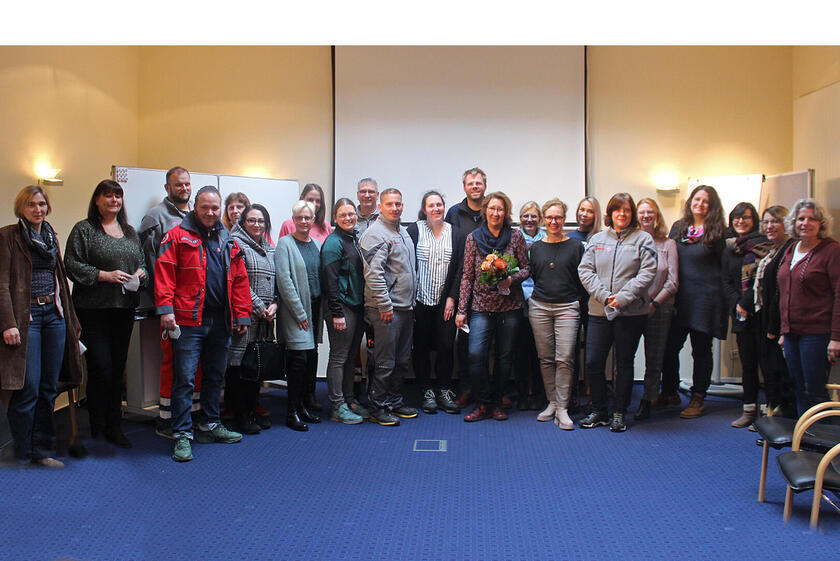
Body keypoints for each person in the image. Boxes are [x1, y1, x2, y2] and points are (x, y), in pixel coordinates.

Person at [156, 185, 251, 462]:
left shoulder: (228, 239)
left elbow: (240, 279)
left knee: (214, 376)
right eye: (205, 207)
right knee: (184, 379)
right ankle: (182, 434)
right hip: (187, 321)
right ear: (195, 208)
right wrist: (165, 310)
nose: (210, 212)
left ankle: (210, 424)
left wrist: (242, 314)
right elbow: (164, 274)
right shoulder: (176, 236)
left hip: (220, 321)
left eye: (214, 208)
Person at [0, 186, 83, 468]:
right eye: (32, 205)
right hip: (28, 319)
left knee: (49, 387)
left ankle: (42, 450)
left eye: (42, 204)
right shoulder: (8, 236)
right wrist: (8, 323)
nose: (38, 210)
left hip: (54, 315)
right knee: (28, 388)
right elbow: (1, 285)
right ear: (21, 208)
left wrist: (70, 320)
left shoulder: (49, 235)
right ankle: (18, 454)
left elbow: (59, 278)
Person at [64, 180, 147, 448]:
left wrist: (140, 275)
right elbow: (71, 264)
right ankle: (96, 425)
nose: (113, 200)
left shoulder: (130, 232)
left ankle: (114, 425)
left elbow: (142, 263)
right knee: (101, 367)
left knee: (117, 368)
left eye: (118, 196)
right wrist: (104, 275)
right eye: (108, 196)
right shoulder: (84, 230)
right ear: (97, 200)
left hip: (123, 310)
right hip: (92, 310)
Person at [577, 193, 657, 432]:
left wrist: (621, 299)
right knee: (593, 362)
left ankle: (620, 412)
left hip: (630, 313)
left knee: (623, 363)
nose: (622, 214)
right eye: (617, 210)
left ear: (632, 214)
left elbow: (647, 273)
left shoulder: (644, 239)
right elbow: (585, 270)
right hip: (599, 311)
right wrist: (604, 296)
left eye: (627, 210)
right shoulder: (597, 239)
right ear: (610, 213)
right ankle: (600, 410)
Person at [456, 191, 530, 422]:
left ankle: (497, 403)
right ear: (485, 210)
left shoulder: (516, 237)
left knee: (504, 358)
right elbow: (467, 276)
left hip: (510, 307)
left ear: (505, 213)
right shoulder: (473, 237)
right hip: (480, 306)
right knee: (476, 355)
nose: (496, 213)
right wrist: (461, 310)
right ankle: (482, 402)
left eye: (500, 209)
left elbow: (526, 268)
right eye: (492, 208)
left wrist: (511, 279)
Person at [660, 185, 728, 419]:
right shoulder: (679, 228)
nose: (700, 204)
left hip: (706, 300)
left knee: (700, 351)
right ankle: (669, 391)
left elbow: (725, 269)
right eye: (696, 199)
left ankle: (698, 397)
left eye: (705, 201)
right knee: (669, 347)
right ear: (690, 202)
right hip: (680, 298)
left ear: (712, 206)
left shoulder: (719, 232)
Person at [137, 166, 195, 438]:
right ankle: (165, 420)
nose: (183, 189)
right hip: (172, 306)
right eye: (178, 185)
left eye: (186, 184)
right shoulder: (155, 218)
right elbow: (153, 265)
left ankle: (189, 418)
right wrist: (164, 307)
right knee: (172, 363)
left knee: (194, 367)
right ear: (167, 188)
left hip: (196, 307)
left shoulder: (196, 215)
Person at [359, 188, 418, 426]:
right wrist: (384, 305)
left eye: (398, 204)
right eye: (390, 204)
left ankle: (394, 400)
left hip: (405, 308)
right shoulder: (375, 234)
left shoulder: (402, 232)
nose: (395, 208)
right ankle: (378, 406)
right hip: (385, 309)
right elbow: (373, 275)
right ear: (380, 207)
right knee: (385, 361)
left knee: (402, 359)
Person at [777, 198, 840, 415]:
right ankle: (805, 440)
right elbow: (785, 292)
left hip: (817, 334)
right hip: (792, 333)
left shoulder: (831, 251)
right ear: (794, 222)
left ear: (820, 224)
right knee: (798, 389)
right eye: (801, 218)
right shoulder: (792, 249)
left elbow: (839, 295)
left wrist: (836, 338)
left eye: (812, 219)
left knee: (815, 392)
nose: (806, 223)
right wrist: (784, 330)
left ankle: (822, 444)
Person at [527, 199, 585, 429]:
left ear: (564, 219)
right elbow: (533, 277)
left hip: (567, 308)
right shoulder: (536, 248)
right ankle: (551, 402)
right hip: (539, 307)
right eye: (549, 217)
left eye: (558, 217)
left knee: (565, 358)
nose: (554, 221)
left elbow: (582, 280)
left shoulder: (576, 246)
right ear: (543, 219)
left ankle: (563, 408)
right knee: (546, 358)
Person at [406, 191, 463, 415]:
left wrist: (452, 298)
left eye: (439, 204)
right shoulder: (414, 230)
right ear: (424, 209)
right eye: (431, 205)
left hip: (445, 302)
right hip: (420, 300)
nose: (436, 209)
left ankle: (444, 390)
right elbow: (406, 264)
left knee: (446, 347)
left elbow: (460, 269)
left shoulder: (456, 234)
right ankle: (426, 390)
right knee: (419, 347)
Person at [226, 204, 277, 434]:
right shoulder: (234, 243)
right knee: (239, 368)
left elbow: (279, 279)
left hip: (266, 319)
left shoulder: (270, 247)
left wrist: (275, 304)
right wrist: (259, 307)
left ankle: (252, 409)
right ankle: (239, 415)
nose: (257, 225)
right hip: (244, 317)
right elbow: (239, 281)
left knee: (256, 368)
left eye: (261, 221)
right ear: (242, 222)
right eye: (251, 220)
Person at [721, 202, 772, 428]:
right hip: (740, 315)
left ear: (755, 221)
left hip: (761, 313)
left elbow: (763, 280)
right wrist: (737, 304)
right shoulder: (730, 248)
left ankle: (771, 412)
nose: (741, 222)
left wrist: (746, 302)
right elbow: (725, 281)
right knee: (747, 364)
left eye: (746, 218)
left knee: (768, 363)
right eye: (737, 218)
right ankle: (749, 410)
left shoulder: (764, 245)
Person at [276, 200, 324, 431]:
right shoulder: (285, 244)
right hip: (296, 312)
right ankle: (291, 412)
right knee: (298, 361)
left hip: (315, 310)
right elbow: (284, 281)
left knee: (311, 359)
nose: (304, 221)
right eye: (299, 218)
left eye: (308, 218)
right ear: (293, 220)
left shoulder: (316, 244)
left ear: (313, 220)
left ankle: (304, 406)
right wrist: (299, 311)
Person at [321, 199, 369, 424]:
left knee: (351, 357)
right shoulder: (333, 243)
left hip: (356, 306)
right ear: (335, 218)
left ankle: (350, 400)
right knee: (339, 357)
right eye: (343, 215)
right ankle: (337, 405)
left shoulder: (354, 239)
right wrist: (337, 312)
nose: (348, 218)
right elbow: (330, 281)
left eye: (351, 214)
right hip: (340, 308)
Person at [445, 167, 488, 408]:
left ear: (484, 186)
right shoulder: (454, 213)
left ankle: (486, 389)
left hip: (489, 289)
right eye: (470, 183)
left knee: (487, 344)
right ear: (464, 187)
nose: (474, 186)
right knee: (463, 342)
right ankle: (466, 388)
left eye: (478, 183)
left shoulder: (492, 210)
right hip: (462, 283)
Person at [633, 198, 679, 421]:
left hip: (659, 309)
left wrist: (654, 303)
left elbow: (672, 282)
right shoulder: (630, 241)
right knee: (625, 356)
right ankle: (624, 398)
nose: (645, 216)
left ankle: (648, 399)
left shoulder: (668, 244)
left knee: (655, 357)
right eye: (641, 212)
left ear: (657, 215)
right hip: (631, 308)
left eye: (650, 212)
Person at [753, 205, 797, 419]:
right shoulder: (774, 249)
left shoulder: (790, 249)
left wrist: (773, 327)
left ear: (786, 224)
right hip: (766, 318)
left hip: (778, 322)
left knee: (781, 374)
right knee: (770, 371)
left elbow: (781, 291)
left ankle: (783, 422)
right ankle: (772, 418)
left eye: (774, 222)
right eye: (766, 222)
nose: (769, 226)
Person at [516, 201, 547, 411]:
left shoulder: (546, 238)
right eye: (525, 216)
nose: (529, 220)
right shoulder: (514, 237)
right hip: (518, 299)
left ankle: (538, 393)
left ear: (540, 219)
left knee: (539, 350)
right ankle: (520, 394)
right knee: (520, 351)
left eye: (534, 216)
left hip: (542, 299)